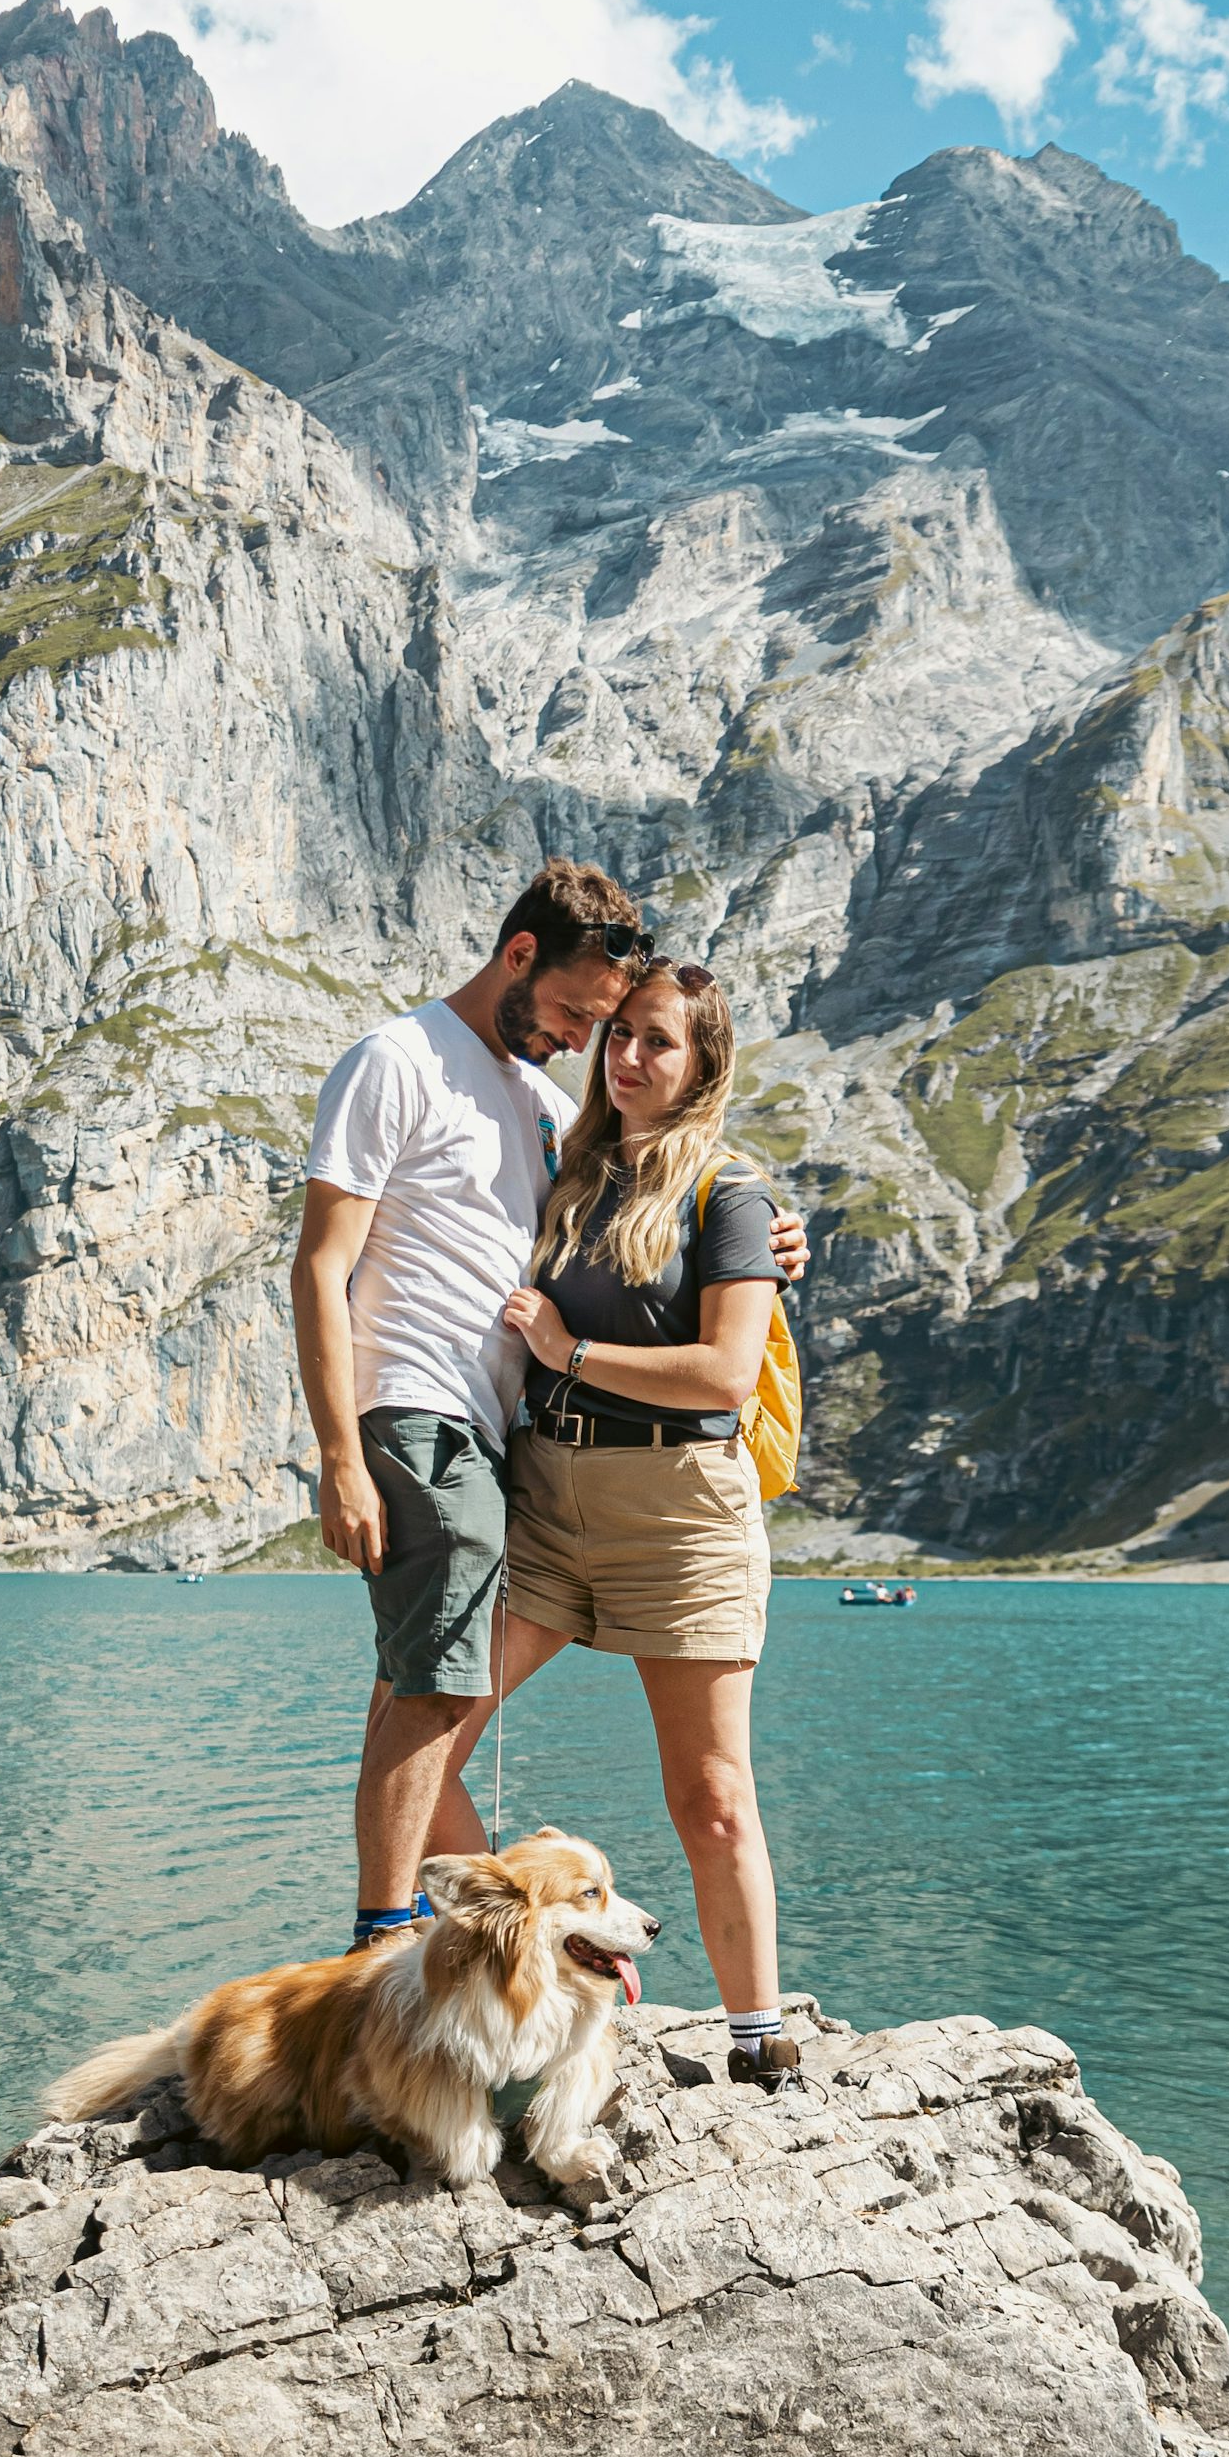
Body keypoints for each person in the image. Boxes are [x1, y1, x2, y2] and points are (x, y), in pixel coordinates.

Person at [290, 865, 802, 1954]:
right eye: (581, 1016)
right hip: (420, 1411)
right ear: (518, 957)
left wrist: (772, 1242)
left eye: (618, 1029)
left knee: (419, 1698)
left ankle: (448, 1946)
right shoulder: (399, 1060)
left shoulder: (542, 1109)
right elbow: (319, 1268)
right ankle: (385, 1944)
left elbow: (660, 1206)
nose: (593, 1044)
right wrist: (340, 1456)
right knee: (431, 1695)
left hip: (509, 1439)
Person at [488, 958, 798, 2095]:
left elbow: (724, 1370)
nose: (626, 1056)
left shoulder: (732, 1193)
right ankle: (488, 1966)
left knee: (709, 1793)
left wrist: (568, 1351)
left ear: (703, 1064)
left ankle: (759, 2031)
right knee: (423, 1725)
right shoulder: (565, 1170)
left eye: (657, 1041)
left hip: (681, 1515)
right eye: (617, 1033)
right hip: (547, 1500)